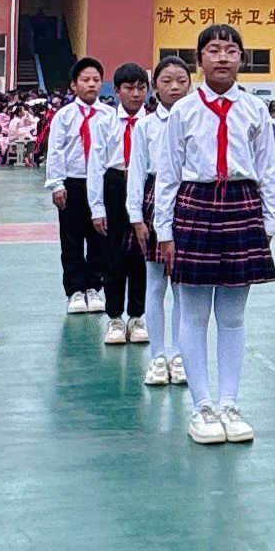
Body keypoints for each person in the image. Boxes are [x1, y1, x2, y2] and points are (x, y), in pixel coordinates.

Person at [147, 24, 275, 444]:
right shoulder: (182, 111)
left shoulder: (256, 110)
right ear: (199, 59)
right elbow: (167, 174)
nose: (223, 57)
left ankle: (230, 402)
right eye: (214, 50)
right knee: (194, 312)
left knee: (234, 315)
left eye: (231, 50)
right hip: (196, 204)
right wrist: (163, 230)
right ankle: (202, 405)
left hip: (242, 205)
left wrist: (269, 219)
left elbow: (269, 170)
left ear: (242, 58)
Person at [131, 51, 197, 394]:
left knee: (184, 289)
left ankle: (182, 357)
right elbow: (137, 173)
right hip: (155, 199)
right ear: (154, 85)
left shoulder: (196, 119)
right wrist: (136, 218)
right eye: (167, 81)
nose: (174, 87)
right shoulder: (145, 125)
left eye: (181, 81)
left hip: (191, 200)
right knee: (155, 284)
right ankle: (158, 357)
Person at [93, 61, 158, 352]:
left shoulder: (154, 122)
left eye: (141, 87)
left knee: (141, 253)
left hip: (144, 186)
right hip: (114, 183)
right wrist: (97, 207)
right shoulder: (104, 122)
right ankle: (115, 318)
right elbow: (95, 165)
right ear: (117, 90)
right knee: (113, 253)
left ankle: (137, 316)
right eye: (129, 88)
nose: (136, 93)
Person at [42, 55, 108, 313]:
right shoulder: (64, 116)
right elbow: (56, 150)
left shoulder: (108, 115)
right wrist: (57, 184)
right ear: (74, 85)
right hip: (73, 183)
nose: (91, 84)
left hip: (100, 184)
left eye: (96, 80)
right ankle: (75, 290)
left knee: (99, 237)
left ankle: (94, 287)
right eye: (85, 80)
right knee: (71, 239)